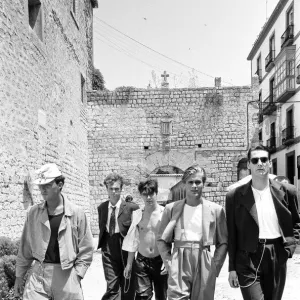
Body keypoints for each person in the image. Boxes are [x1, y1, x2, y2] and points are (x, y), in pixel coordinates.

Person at [226, 145, 300, 300]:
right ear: (249, 165)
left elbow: (296, 223)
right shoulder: (235, 196)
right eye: (255, 160)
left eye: (264, 159)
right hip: (247, 258)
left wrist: (289, 249)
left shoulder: (288, 192)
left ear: (270, 162)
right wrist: (231, 268)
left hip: (276, 253)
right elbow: (231, 234)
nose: (260, 163)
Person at [14, 163, 94, 300]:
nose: (42, 189)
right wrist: (19, 276)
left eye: (47, 184)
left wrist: (77, 275)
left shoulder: (76, 214)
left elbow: (86, 248)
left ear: (60, 184)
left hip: (66, 275)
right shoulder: (33, 213)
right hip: (38, 275)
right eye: (40, 185)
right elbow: (25, 248)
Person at [157, 164, 228, 300]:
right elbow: (161, 239)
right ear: (184, 184)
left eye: (198, 182)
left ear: (203, 184)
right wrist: (169, 263)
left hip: (204, 257)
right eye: (190, 182)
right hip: (179, 257)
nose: (194, 185)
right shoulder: (171, 209)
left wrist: (214, 267)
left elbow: (223, 242)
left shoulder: (216, 210)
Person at [122, 179, 168, 300]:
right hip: (142, 262)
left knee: (162, 296)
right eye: (145, 194)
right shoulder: (138, 215)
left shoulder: (165, 213)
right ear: (141, 195)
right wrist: (129, 264)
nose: (148, 197)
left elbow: (170, 240)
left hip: (160, 260)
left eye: (151, 194)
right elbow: (133, 240)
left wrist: (167, 259)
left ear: (156, 193)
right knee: (142, 297)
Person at [97, 172, 139, 300]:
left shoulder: (132, 208)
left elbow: (135, 234)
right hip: (109, 247)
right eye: (111, 189)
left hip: (126, 247)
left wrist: (131, 261)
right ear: (107, 190)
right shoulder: (102, 208)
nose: (114, 192)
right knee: (112, 286)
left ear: (121, 189)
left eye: (117, 189)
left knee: (128, 286)